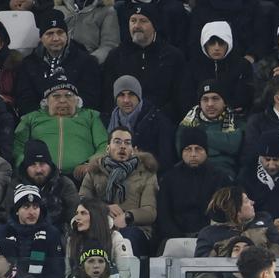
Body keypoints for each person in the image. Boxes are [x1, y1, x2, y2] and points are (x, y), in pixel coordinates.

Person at [79, 127, 158, 256]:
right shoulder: (95, 171)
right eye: (117, 141)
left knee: (126, 238)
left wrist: (127, 217)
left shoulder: (146, 173)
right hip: (99, 225)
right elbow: (82, 200)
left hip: (134, 228)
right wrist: (104, 209)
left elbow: (150, 211)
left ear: (133, 149)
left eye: (127, 143)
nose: (122, 146)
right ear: (108, 147)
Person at [101, 3, 189, 118]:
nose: (137, 26)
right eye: (133, 21)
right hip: (124, 123)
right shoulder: (116, 56)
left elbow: (180, 98)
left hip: (161, 122)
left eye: (143, 21)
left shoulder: (173, 57)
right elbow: (108, 97)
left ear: (154, 25)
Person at [13, 80, 108, 179]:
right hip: (40, 177)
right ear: (47, 101)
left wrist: (91, 164)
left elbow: (104, 144)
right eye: (56, 96)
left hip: (84, 177)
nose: (63, 100)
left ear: (77, 100)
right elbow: (18, 146)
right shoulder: (31, 118)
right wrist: (28, 166)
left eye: (69, 95)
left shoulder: (91, 116)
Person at [155, 128, 231, 251]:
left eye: (198, 149)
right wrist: (178, 237)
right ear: (181, 152)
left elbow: (223, 213)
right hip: (174, 238)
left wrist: (206, 235)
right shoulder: (169, 179)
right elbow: (163, 215)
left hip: (211, 237)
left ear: (206, 151)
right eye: (188, 149)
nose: (193, 154)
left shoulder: (220, 178)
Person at [15, 9, 103, 115]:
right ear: (41, 38)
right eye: (50, 34)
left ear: (67, 35)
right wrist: (45, 113)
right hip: (40, 121)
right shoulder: (28, 64)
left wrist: (69, 108)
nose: (56, 38)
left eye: (60, 32)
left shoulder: (87, 61)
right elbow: (24, 99)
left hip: (77, 119)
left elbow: (92, 97)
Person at [177, 80, 245, 180]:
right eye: (205, 99)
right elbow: (181, 150)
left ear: (224, 102)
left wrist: (197, 137)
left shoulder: (237, 122)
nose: (210, 104)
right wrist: (221, 145)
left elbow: (233, 146)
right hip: (191, 171)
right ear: (199, 104)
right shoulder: (188, 122)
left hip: (224, 173)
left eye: (215, 99)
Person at [107, 74, 176, 173]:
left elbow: (166, 161)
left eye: (131, 94)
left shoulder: (159, 121)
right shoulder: (109, 120)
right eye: (121, 95)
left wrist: (142, 159)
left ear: (139, 96)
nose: (126, 100)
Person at [186, 21, 253, 116]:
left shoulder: (243, 66)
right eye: (212, 43)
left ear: (228, 43)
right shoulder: (192, 67)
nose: (216, 47)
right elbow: (187, 97)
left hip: (235, 117)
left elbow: (245, 97)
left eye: (221, 43)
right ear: (204, 44)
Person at [195, 186, 279, 259]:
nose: (252, 202)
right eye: (247, 201)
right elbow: (202, 269)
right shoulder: (209, 234)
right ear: (235, 210)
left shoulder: (264, 219)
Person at [56, 0, 120, 64]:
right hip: (58, 61)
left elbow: (109, 45)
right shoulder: (57, 10)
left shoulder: (107, 11)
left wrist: (89, 61)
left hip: (89, 62)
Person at [0, 18, 22, 110]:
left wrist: (10, 100)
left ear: (3, 41)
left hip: (8, 111)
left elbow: (24, 95)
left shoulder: (16, 62)